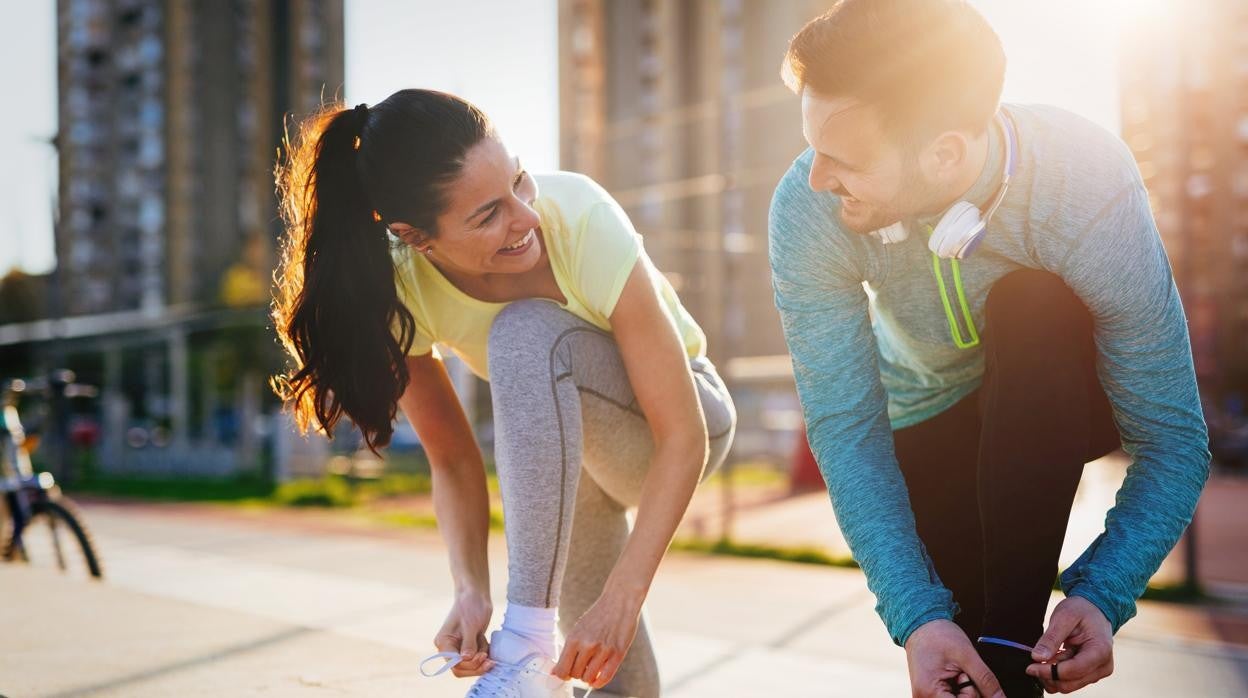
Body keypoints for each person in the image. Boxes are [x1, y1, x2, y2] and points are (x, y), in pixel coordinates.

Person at [767, 2, 1210, 696]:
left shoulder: (1085, 182)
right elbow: (847, 428)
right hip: (926, 422)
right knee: (961, 662)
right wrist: (915, 616)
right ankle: (999, 656)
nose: (817, 177)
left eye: (843, 158)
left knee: (1032, 300)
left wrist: (1102, 592)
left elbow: (1174, 440)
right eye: (812, 145)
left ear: (944, 151)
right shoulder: (806, 209)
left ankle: (1009, 645)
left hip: (1060, 392)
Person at [271, 89, 735, 698]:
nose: (526, 217)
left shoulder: (581, 216)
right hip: (576, 475)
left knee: (524, 329)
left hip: (680, 427)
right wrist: (469, 588)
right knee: (620, 686)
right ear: (416, 237)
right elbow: (453, 458)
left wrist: (623, 597)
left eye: (519, 181)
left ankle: (525, 643)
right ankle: (534, 654)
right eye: (488, 214)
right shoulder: (399, 288)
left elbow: (683, 435)